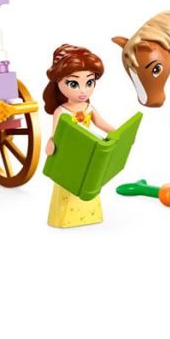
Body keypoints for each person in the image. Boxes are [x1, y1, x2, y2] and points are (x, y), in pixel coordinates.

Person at [43, 44, 115, 227]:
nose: (83, 91)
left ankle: (91, 215)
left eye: (89, 83)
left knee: (89, 183)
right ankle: (65, 219)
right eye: (74, 84)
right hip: (69, 156)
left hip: (88, 153)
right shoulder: (61, 111)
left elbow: (101, 123)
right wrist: (51, 142)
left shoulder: (89, 107)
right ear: (58, 83)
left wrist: (115, 132)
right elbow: (56, 133)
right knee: (69, 184)